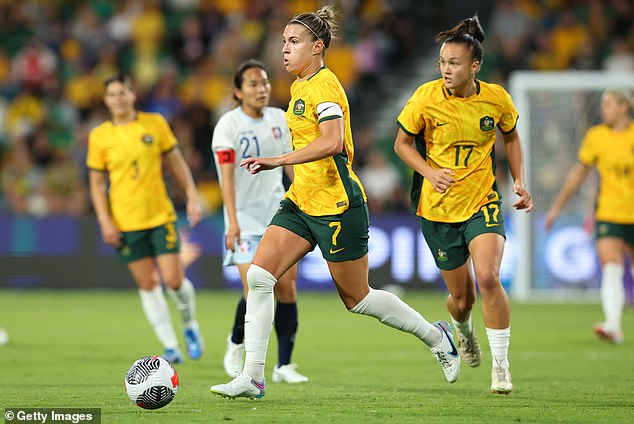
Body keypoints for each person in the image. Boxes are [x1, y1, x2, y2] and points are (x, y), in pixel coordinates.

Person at [210, 5, 460, 400]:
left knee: (357, 298)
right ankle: (253, 376)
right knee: (259, 277)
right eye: (284, 42)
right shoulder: (297, 87)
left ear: (318, 47)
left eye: (294, 42)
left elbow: (333, 142)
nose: (285, 49)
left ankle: (435, 336)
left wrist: (278, 160)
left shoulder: (324, 86)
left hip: (338, 206)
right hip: (301, 202)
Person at [393, 15, 533, 395]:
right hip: (437, 209)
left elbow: (512, 137)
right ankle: (462, 330)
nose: (445, 70)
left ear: (475, 66)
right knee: (462, 299)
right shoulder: (425, 97)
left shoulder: (496, 98)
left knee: (488, 277)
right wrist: (430, 171)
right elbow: (402, 145)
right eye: (442, 62)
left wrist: (518, 180)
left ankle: (501, 367)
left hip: (482, 200)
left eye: (453, 63)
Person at [87, 73, 205, 364]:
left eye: (123, 92)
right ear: (106, 100)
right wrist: (105, 220)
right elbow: (96, 183)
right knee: (148, 284)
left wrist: (191, 194)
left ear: (133, 94)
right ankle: (170, 345)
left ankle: (190, 325)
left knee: (174, 280)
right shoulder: (100, 136)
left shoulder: (155, 123)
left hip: (160, 214)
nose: (118, 99)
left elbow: (176, 163)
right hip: (126, 221)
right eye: (112, 94)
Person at [212, 59, 308, 383]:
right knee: (254, 289)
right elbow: (225, 177)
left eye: (265, 83)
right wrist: (231, 221)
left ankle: (284, 366)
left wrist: (302, 198)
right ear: (238, 91)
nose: (261, 89)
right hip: (243, 220)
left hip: (278, 216)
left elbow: (290, 166)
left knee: (287, 288)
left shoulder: (280, 119)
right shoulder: (228, 126)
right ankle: (235, 343)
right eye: (253, 84)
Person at [545, 89, 634, 345]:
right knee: (612, 267)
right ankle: (614, 326)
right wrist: (557, 207)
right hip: (608, 213)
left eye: (608, 104)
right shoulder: (596, 137)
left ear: (624, 108)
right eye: (603, 104)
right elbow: (579, 174)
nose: (603, 108)